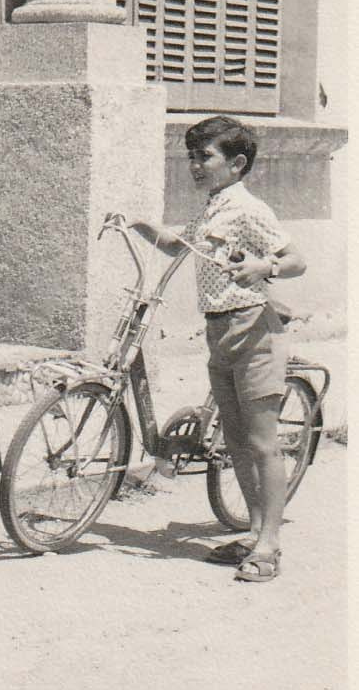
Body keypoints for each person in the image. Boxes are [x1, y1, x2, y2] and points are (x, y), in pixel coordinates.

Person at [127, 115, 305, 584]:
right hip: (218, 331)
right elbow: (175, 245)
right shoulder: (211, 208)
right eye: (191, 156)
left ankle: (269, 545)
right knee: (235, 441)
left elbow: (296, 260)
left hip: (255, 330)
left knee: (263, 442)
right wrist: (138, 223)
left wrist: (263, 266)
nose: (195, 165)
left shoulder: (248, 208)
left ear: (237, 163)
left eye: (205, 156)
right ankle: (253, 530)